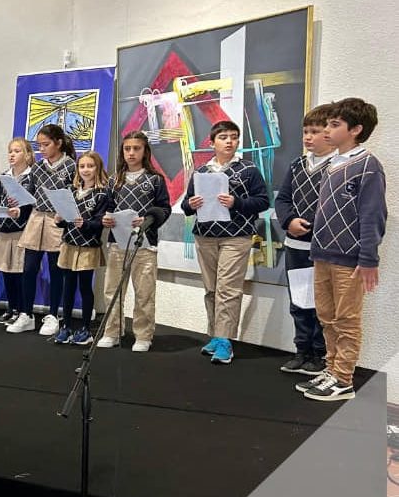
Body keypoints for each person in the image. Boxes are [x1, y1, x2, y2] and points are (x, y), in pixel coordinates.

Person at [297, 98, 386, 402]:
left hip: (350, 259)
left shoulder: (367, 166)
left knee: (347, 318)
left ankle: (343, 378)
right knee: (326, 315)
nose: (327, 130)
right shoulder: (332, 165)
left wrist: (369, 257)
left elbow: (373, 214)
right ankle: (331, 368)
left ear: (356, 130)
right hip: (322, 253)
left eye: (335, 125)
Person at [181, 120, 270, 364]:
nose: (229, 141)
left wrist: (237, 202)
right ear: (212, 143)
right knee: (211, 289)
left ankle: (226, 341)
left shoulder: (249, 169)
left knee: (228, 288)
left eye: (233, 137)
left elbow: (263, 201)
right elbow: (185, 205)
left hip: (236, 236)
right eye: (223, 137)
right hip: (205, 236)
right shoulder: (200, 172)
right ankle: (215, 335)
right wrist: (192, 204)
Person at [274, 104, 336, 375]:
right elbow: (283, 199)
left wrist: (312, 226)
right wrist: (289, 221)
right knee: (299, 300)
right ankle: (302, 350)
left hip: (323, 248)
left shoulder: (337, 166)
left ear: (330, 133)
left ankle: (320, 354)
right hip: (295, 245)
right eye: (305, 132)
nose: (308, 137)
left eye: (315, 131)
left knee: (323, 303)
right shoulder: (298, 164)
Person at [98, 131, 171, 352]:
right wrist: (106, 219)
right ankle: (112, 331)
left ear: (145, 151)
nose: (131, 153)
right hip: (117, 243)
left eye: (136, 148)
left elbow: (164, 208)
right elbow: (107, 207)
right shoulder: (114, 180)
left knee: (144, 292)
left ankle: (143, 335)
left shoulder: (155, 179)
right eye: (127, 149)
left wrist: (148, 219)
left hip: (145, 244)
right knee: (112, 291)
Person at [17, 124, 77, 335]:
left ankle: (53, 314)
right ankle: (26, 314)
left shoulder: (71, 166)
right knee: (29, 268)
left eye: (46, 144)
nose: (42, 149)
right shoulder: (38, 167)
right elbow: (30, 193)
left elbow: (75, 194)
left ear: (58, 143)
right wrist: (18, 205)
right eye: (39, 145)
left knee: (55, 270)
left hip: (56, 220)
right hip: (36, 218)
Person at [53, 151, 109, 345]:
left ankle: (85, 327)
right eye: (82, 166)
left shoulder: (102, 193)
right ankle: (66, 325)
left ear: (98, 168)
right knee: (68, 287)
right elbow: (64, 220)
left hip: (87, 247)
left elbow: (100, 222)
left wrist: (84, 224)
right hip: (69, 244)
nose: (86, 170)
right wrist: (60, 220)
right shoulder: (71, 191)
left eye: (90, 166)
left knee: (85, 286)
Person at [0, 138, 34, 329]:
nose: (12, 155)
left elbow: (33, 204)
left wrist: (20, 212)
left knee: (20, 271)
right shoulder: (4, 176)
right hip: (5, 229)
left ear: (27, 155)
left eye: (17, 151)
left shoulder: (31, 177)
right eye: (10, 151)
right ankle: (12, 307)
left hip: (22, 230)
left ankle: (22, 309)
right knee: (6, 270)